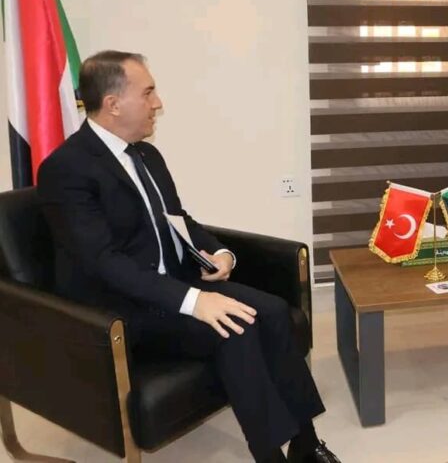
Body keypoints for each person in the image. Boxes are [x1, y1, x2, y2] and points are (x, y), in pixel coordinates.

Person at [37, 50, 340, 463]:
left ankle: (306, 443)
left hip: (172, 285)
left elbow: (178, 219)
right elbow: (103, 262)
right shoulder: (66, 169)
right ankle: (270, 455)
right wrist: (195, 301)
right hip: (119, 309)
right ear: (113, 104)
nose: (158, 103)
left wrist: (219, 251)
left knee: (272, 312)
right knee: (235, 328)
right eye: (148, 93)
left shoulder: (145, 154)